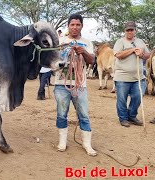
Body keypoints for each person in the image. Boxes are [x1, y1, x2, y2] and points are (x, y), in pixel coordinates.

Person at [54, 14, 97, 156]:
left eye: (78, 25)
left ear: (82, 26)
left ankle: (87, 144)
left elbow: (91, 61)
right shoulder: (60, 41)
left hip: (80, 85)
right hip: (61, 84)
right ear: (68, 26)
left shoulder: (87, 42)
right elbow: (52, 61)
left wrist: (83, 51)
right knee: (61, 114)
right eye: (72, 25)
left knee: (84, 115)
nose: (75, 27)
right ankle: (62, 141)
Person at [113, 21, 151, 128]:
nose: (129, 32)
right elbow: (118, 55)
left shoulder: (140, 41)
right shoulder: (120, 42)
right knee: (122, 99)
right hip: (122, 77)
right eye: (127, 30)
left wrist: (142, 53)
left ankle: (132, 115)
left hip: (138, 77)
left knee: (138, 97)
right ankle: (123, 118)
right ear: (124, 31)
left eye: (132, 30)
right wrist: (133, 50)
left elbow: (147, 55)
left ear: (135, 30)